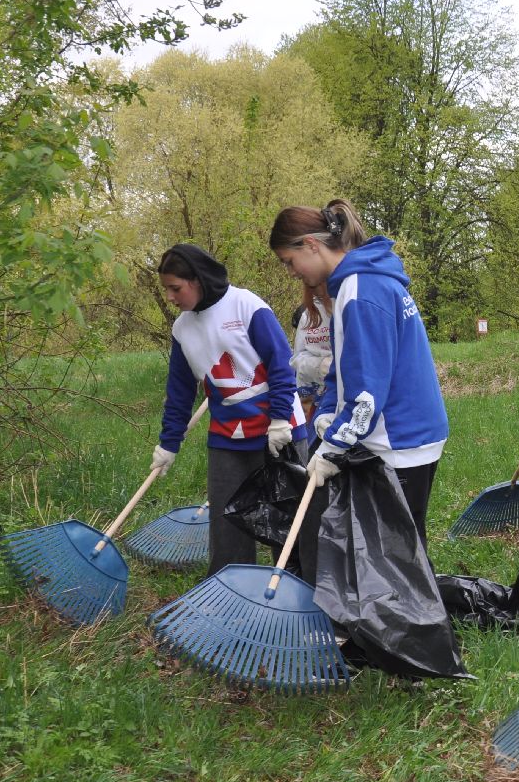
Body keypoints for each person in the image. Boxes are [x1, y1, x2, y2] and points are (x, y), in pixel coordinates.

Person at [269, 199, 448, 553]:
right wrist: (324, 415)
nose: (292, 272)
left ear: (311, 244)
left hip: (402, 439)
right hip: (398, 433)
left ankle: (410, 611)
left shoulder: (361, 290)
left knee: (397, 561)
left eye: (290, 262)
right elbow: (343, 368)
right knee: (388, 556)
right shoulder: (353, 284)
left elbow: (367, 394)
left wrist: (332, 449)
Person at [152, 243, 310, 575]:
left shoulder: (245, 305)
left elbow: (281, 365)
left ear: (196, 280)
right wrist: (168, 444)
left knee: (291, 520)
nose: (170, 296)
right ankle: (229, 597)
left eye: (175, 288)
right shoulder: (182, 329)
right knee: (227, 525)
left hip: (278, 432)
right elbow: (180, 393)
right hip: (228, 439)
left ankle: (300, 589)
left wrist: (281, 419)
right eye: (166, 289)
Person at [290, 282, 333, 423]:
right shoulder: (308, 313)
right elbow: (297, 359)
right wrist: (321, 366)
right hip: (319, 400)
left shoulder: (357, 302)